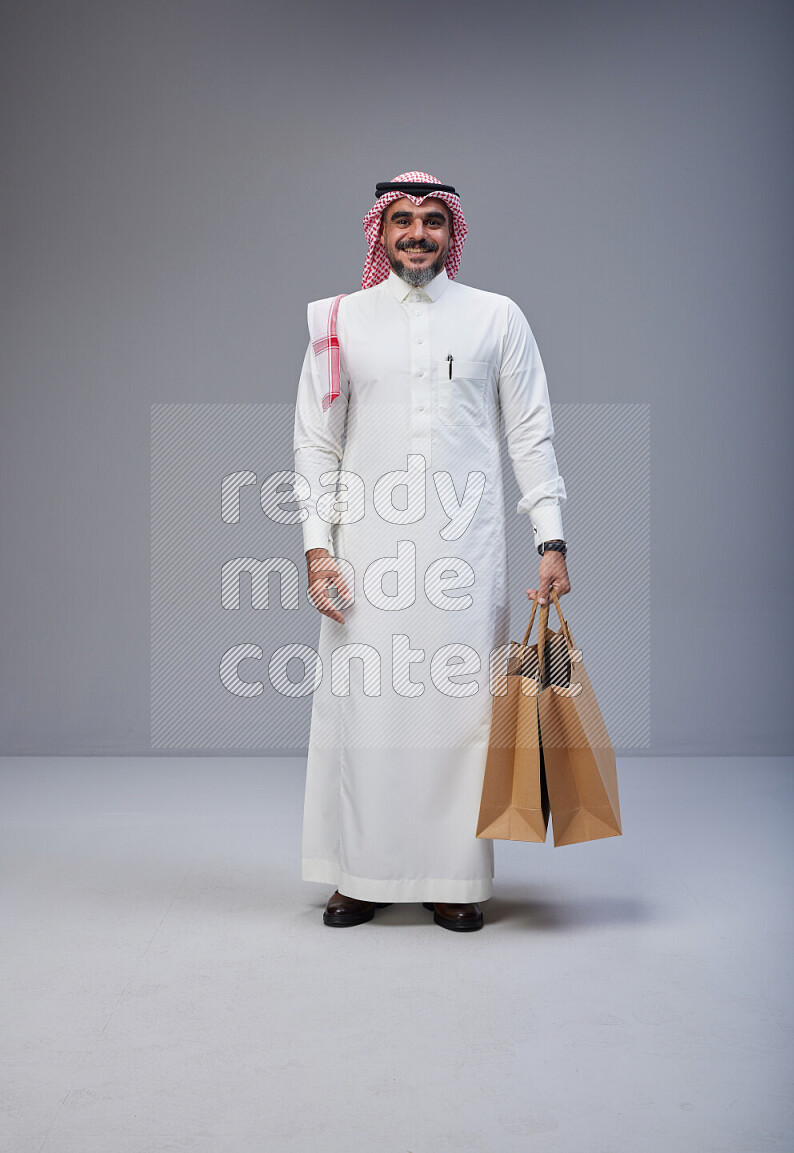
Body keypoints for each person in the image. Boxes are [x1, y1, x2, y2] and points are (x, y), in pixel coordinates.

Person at [292, 171, 570, 932]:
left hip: (464, 551)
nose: (417, 233)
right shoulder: (338, 321)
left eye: (433, 221)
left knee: (461, 715)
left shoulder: (496, 319)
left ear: (453, 234)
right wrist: (318, 550)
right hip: (366, 554)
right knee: (368, 711)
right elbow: (316, 444)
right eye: (403, 221)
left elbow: (530, 433)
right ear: (379, 234)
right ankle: (361, 874)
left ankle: (454, 877)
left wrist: (551, 537)